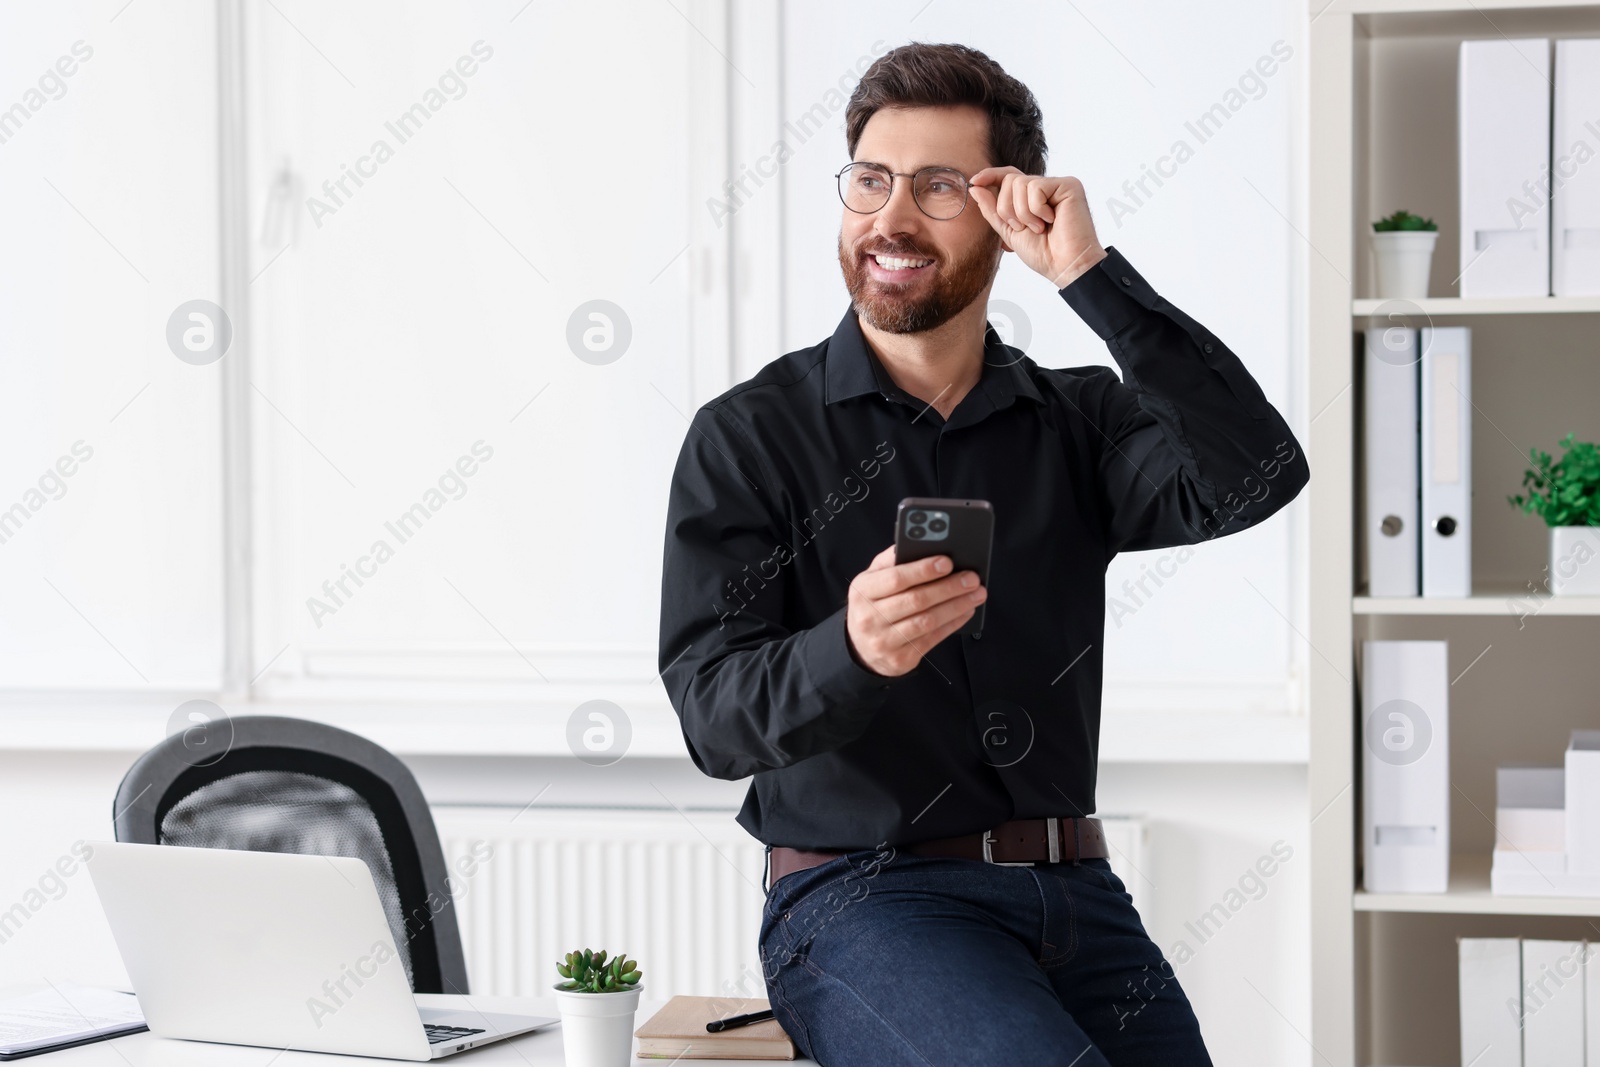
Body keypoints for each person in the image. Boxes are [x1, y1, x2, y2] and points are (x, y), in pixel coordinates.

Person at [657, 40, 1307, 1067]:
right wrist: (853, 647)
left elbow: (1257, 471)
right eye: (870, 180)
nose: (891, 218)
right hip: (864, 901)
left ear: (1005, 215)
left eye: (937, 187)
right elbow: (712, 714)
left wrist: (1090, 278)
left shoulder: (1076, 422)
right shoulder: (748, 435)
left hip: (1078, 895)